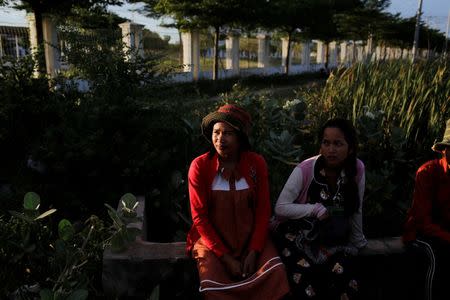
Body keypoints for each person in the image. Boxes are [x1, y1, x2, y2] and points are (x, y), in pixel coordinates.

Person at [186, 104, 290, 300]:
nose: (220, 139)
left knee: (275, 272)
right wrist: (225, 258)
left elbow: (263, 210)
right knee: (212, 285)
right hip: (213, 243)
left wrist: (254, 250)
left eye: (228, 133)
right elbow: (199, 217)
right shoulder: (199, 166)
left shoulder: (256, 163)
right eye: (216, 132)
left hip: (251, 238)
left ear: (241, 137)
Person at [273, 118, 367, 300]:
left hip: (334, 239)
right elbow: (280, 208)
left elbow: (356, 209)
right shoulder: (306, 169)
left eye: (338, 144)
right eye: (326, 143)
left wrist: (358, 242)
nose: (331, 149)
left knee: (346, 277)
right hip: (298, 238)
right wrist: (314, 209)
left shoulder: (357, 169)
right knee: (305, 280)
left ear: (351, 147)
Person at [403, 118, 450, 300]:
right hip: (422, 235)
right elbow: (423, 222)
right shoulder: (428, 172)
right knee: (437, 257)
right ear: (445, 151)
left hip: (446, 232)